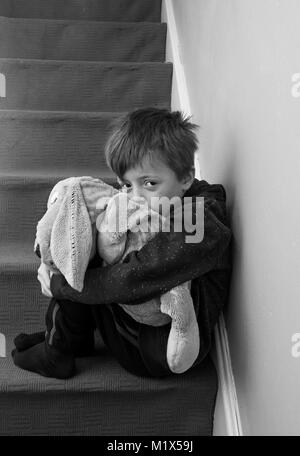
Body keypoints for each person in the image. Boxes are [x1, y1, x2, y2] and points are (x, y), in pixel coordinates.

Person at [11, 108, 232, 379]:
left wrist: (61, 284)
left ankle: (58, 349)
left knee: (82, 255)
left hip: (155, 350)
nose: (135, 197)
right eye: (127, 185)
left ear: (186, 177)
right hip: (139, 323)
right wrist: (54, 262)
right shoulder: (165, 200)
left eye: (149, 183)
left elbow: (135, 278)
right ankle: (69, 336)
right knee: (80, 229)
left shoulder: (199, 223)